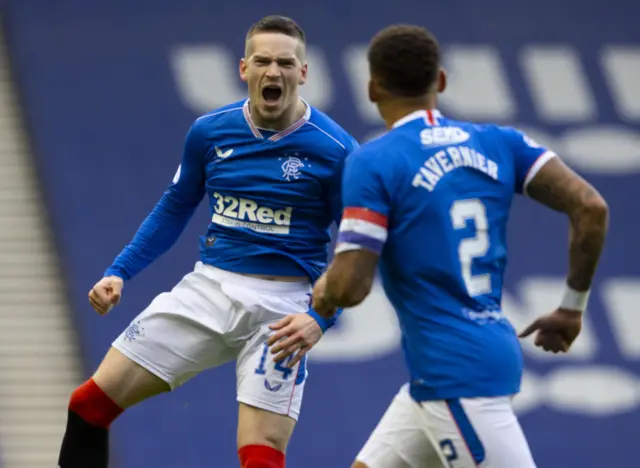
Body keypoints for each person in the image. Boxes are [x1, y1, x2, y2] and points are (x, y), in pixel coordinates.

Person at [269, 24, 608, 468]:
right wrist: (572, 306)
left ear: (372, 89)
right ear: (441, 81)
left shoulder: (376, 159)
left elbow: (352, 285)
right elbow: (591, 208)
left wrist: (323, 295)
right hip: (454, 370)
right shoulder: (501, 143)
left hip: (456, 378)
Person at [57, 15, 358, 468]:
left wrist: (320, 318)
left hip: (283, 311)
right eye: (262, 61)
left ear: (303, 73)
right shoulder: (210, 131)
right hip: (209, 289)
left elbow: (358, 247)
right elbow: (175, 206)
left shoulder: (335, 149)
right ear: (244, 69)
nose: (272, 72)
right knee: (88, 406)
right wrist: (119, 270)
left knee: (260, 455)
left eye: (284, 62)